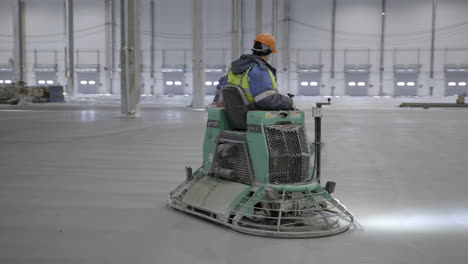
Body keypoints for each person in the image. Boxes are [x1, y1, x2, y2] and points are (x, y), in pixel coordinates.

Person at [223, 33, 293, 110]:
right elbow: (266, 100)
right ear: (268, 51)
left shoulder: (234, 67)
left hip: (235, 113)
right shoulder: (258, 70)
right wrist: (288, 101)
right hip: (252, 112)